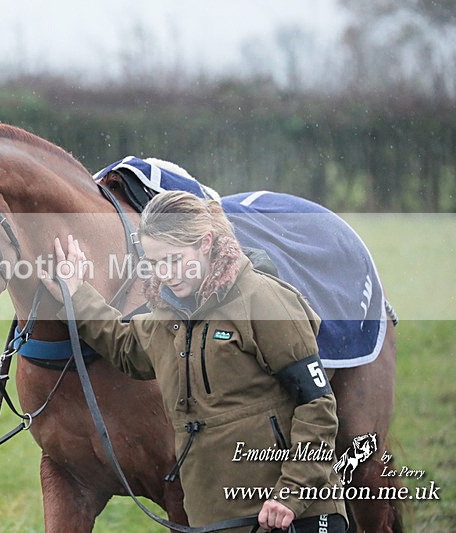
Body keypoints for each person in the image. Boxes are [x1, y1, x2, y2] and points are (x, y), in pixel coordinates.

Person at [39, 191, 347, 532]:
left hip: (293, 516)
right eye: (155, 263)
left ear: (206, 243)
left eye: (174, 259)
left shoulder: (265, 301)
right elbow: (126, 347)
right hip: (213, 519)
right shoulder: (169, 316)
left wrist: (291, 494)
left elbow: (317, 406)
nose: (166, 274)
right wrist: (77, 293)